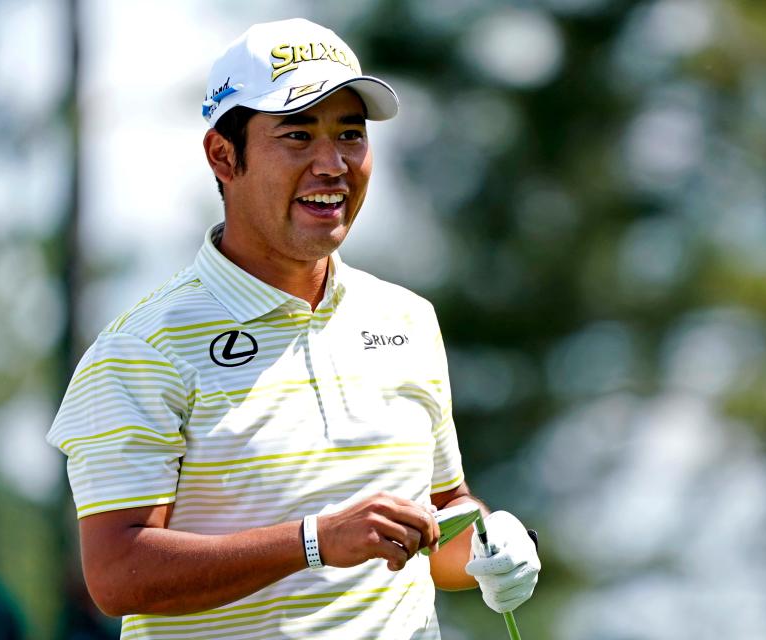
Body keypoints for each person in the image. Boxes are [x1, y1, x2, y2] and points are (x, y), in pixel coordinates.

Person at [46, 17, 540, 640]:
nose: (332, 164)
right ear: (224, 156)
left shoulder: (407, 320)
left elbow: (441, 518)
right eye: (298, 135)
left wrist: (490, 549)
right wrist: (313, 542)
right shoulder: (141, 348)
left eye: (350, 134)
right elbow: (117, 576)